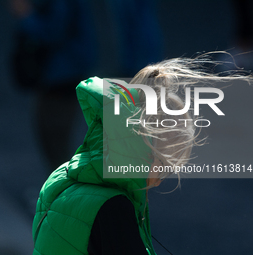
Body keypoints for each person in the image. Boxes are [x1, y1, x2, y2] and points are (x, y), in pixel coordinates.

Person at [31, 54, 252, 254]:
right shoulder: (113, 207)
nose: (160, 181)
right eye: (165, 166)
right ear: (144, 149)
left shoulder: (63, 176)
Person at [9, 0, 162, 171]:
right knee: (57, 137)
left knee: (55, 137)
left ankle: (65, 192)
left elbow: (53, 29)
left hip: (64, 74)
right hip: (75, 70)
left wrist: (25, 15)